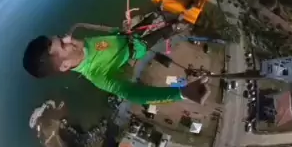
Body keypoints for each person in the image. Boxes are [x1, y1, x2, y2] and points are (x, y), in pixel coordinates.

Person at [22, 31, 210, 105]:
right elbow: (134, 94)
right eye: (63, 44)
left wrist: (118, 33)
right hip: (144, 43)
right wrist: (181, 93)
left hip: (135, 34)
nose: (67, 38)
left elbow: (104, 45)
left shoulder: (80, 46)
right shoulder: (98, 75)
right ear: (65, 66)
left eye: (60, 37)